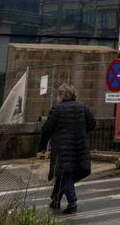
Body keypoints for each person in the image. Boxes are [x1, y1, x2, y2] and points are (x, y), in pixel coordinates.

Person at [39, 83, 95, 214]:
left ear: (62, 96)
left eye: (59, 95)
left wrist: (41, 147)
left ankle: (72, 202)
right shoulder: (83, 107)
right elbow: (92, 124)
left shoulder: (57, 110)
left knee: (65, 174)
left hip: (62, 148)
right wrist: (81, 132)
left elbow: (46, 130)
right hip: (80, 147)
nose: (57, 98)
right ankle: (56, 200)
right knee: (65, 173)